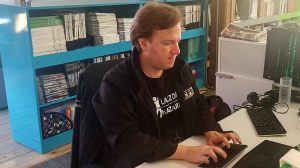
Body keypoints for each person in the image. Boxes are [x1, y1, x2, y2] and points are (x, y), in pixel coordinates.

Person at [92, 2, 242, 168]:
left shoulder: (179, 68)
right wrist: (184, 152)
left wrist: (210, 129)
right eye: (167, 43)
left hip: (185, 148)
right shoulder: (116, 84)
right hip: (148, 160)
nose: (177, 50)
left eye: (177, 41)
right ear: (144, 44)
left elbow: (197, 101)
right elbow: (127, 140)